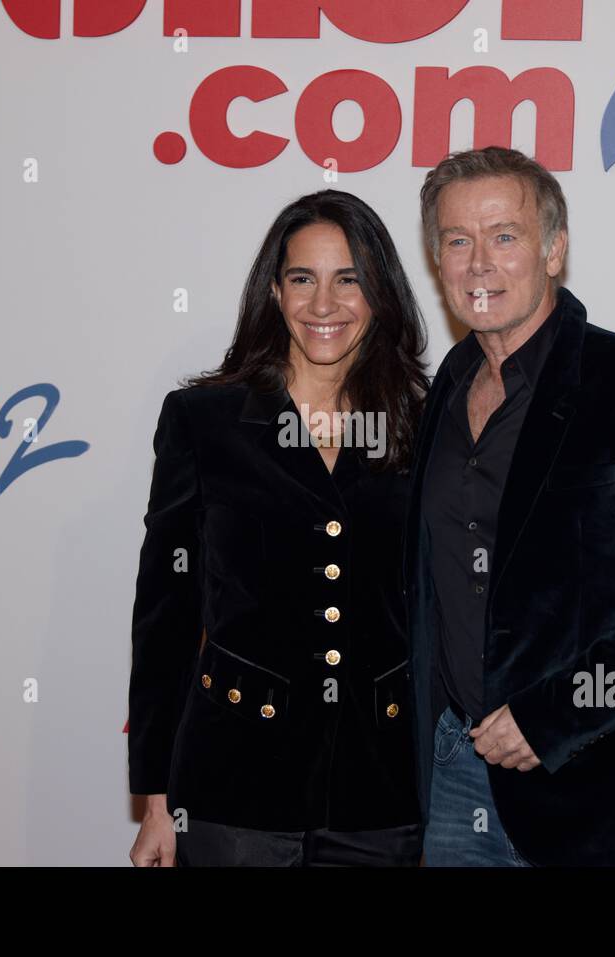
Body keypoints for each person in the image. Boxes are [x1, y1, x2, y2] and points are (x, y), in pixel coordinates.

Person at [406, 146, 615, 866]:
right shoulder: (446, 386)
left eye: (504, 236)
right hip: (452, 772)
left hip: (603, 793)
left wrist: (554, 715)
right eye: (457, 241)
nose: (478, 263)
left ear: (554, 249)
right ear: (436, 259)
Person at [128, 189, 429, 866]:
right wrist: (155, 798)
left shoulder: (425, 426)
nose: (324, 305)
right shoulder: (203, 423)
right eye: (303, 279)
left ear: (380, 292)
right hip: (234, 787)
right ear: (274, 289)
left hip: (380, 795)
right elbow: (166, 617)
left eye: (348, 279)